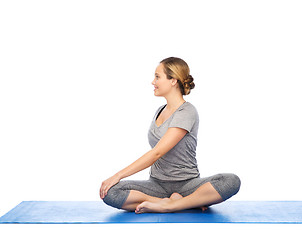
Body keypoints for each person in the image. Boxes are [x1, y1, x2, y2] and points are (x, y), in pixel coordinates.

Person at [99, 57, 240, 213]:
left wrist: (117, 175)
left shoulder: (187, 111)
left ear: (173, 80)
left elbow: (157, 152)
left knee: (231, 181)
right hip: (156, 185)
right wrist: (115, 181)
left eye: (158, 77)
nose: (153, 82)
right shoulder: (160, 110)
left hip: (188, 185)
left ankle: (172, 205)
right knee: (110, 192)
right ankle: (173, 203)